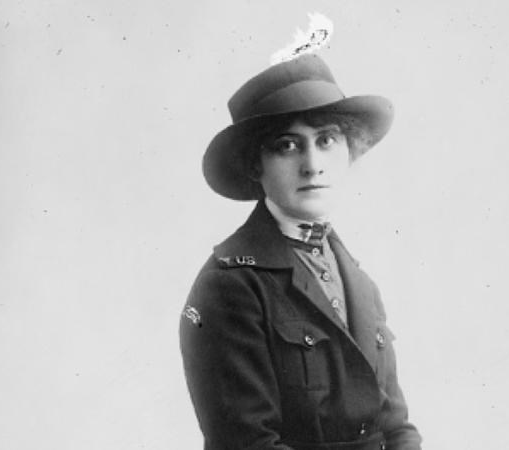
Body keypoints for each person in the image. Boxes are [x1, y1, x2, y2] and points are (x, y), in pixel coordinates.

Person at [180, 53, 422, 450]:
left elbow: (397, 426)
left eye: (326, 140)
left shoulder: (359, 282)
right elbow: (249, 444)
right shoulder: (229, 287)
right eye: (287, 145)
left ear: (349, 151)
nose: (313, 165)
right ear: (255, 165)